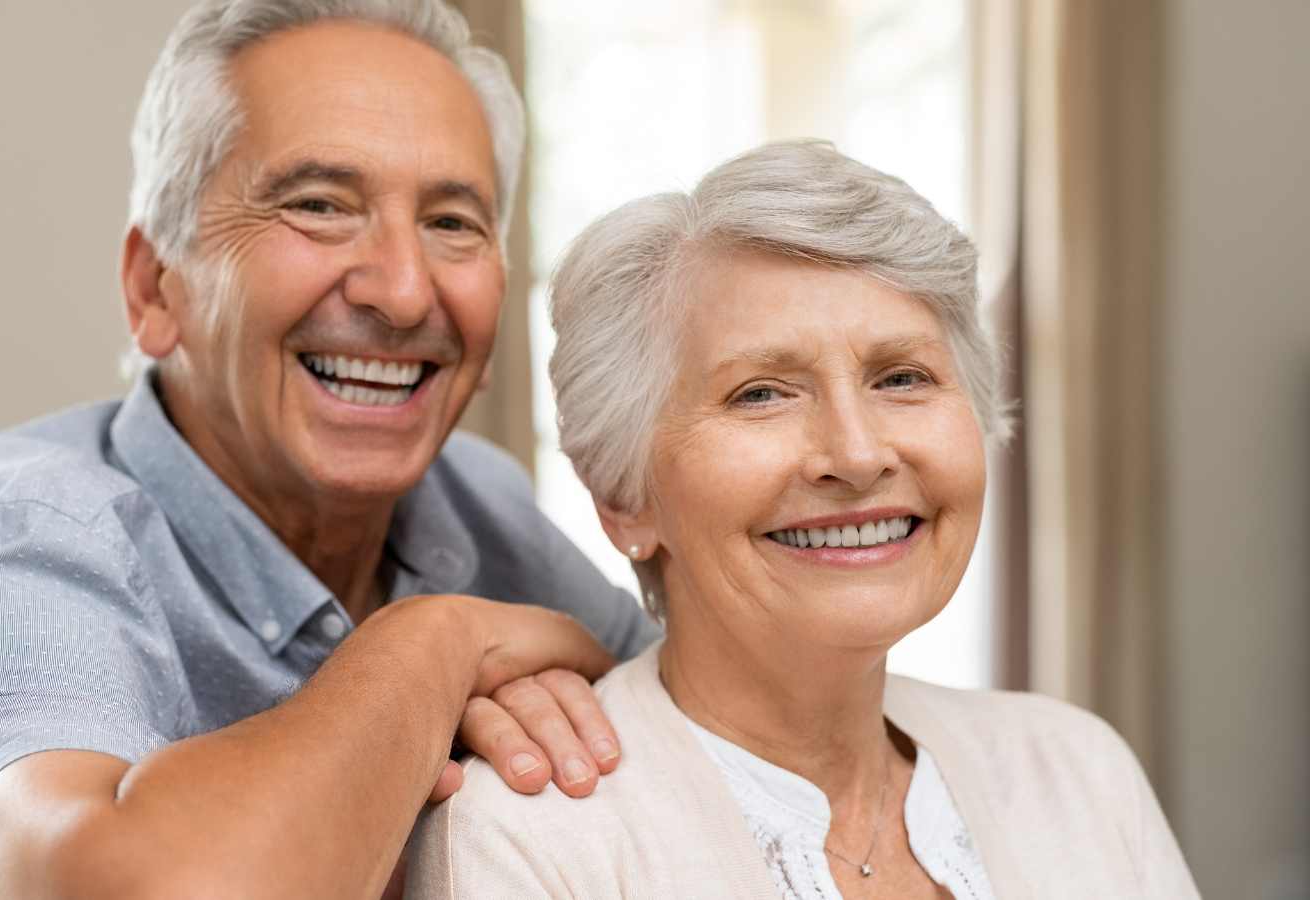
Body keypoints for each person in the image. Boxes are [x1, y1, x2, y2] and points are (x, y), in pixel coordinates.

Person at [0, 2, 658, 898]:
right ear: (156, 287)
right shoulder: (29, 537)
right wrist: (439, 642)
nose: (401, 292)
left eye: (453, 222)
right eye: (318, 206)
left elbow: (717, 730)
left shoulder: (476, 497)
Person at [407, 140, 1200, 899]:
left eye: (901, 377)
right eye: (761, 393)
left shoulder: (1079, 772)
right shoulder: (527, 838)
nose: (856, 455)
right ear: (624, 498)